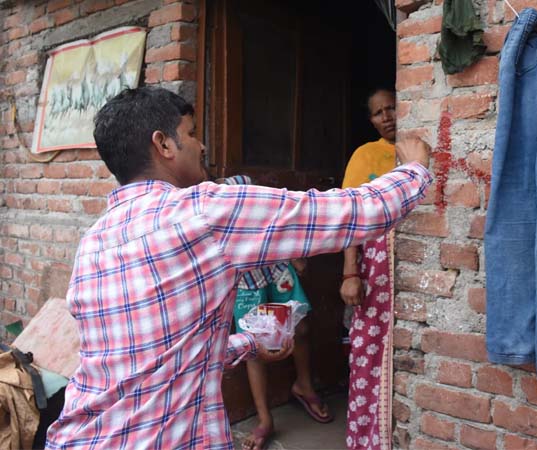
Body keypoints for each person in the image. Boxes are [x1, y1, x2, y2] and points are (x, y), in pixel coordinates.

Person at [45, 86, 431, 450]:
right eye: (191, 133)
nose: (202, 145)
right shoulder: (203, 211)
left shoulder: (95, 239)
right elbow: (347, 213)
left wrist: (248, 343)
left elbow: (152, 357)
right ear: (163, 144)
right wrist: (413, 169)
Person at [220, 176, 332, 450]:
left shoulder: (246, 190)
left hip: (276, 267)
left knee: (300, 327)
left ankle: (304, 385)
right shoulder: (213, 205)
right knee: (253, 345)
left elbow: (277, 222)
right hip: (245, 280)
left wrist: (294, 253)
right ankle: (265, 419)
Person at [339, 88, 399, 449]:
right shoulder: (365, 156)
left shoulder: (415, 151)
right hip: (374, 269)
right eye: (378, 112)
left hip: (406, 268)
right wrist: (351, 273)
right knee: (368, 352)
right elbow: (351, 218)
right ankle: (366, 439)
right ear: (372, 120)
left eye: (392, 108)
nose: (387, 117)